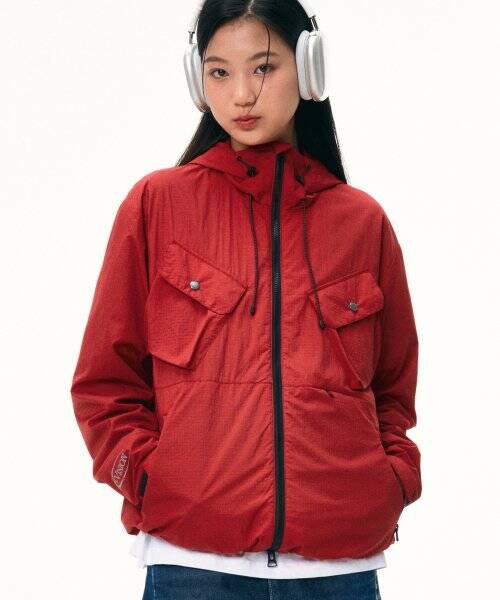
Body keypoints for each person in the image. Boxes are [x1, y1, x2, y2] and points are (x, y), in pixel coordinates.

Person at [70, 1, 422, 598]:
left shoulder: (362, 222)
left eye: (263, 67)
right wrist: (147, 478)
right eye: (219, 72)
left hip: (337, 571)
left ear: (308, 68)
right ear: (197, 79)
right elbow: (104, 382)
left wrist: (391, 482)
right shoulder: (157, 205)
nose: (240, 95)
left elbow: (393, 388)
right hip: (192, 565)